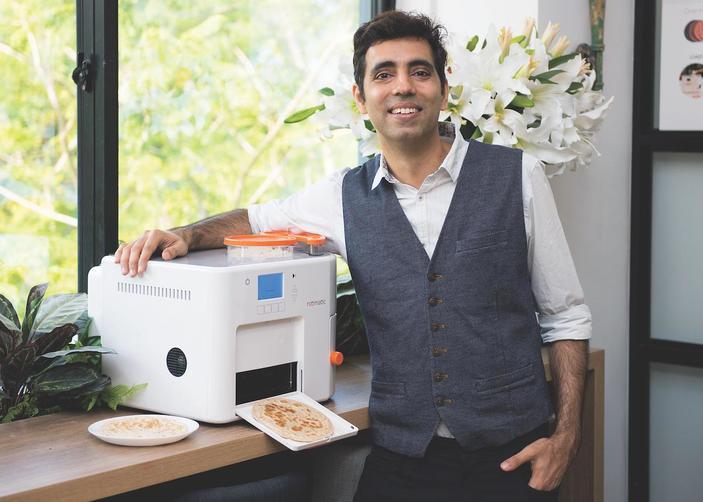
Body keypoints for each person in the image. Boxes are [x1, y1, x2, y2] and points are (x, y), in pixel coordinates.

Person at [115, 11, 591, 502]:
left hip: (512, 457)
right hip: (403, 458)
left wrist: (567, 437)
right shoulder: (340, 196)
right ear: (362, 99)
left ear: (444, 89)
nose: (402, 86)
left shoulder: (519, 175)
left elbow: (566, 316)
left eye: (419, 71)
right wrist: (185, 235)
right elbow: (256, 220)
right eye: (384, 74)